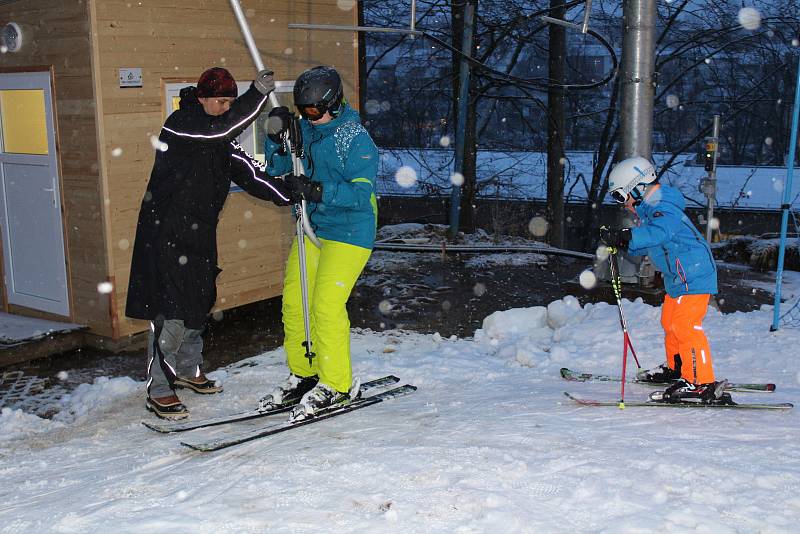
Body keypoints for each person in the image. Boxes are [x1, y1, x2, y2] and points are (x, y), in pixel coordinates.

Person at [126, 67, 294, 420]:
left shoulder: (221, 141)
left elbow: (251, 176)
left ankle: (188, 370)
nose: (225, 107)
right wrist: (256, 97)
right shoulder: (182, 124)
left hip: (199, 234)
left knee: (198, 303)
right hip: (165, 235)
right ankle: (159, 388)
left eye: (230, 102)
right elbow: (221, 128)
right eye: (220, 101)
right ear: (201, 98)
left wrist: (292, 192)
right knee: (171, 310)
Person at [259, 65, 379, 418]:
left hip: (350, 232)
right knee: (296, 304)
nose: (311, 118)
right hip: (312, 226)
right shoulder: (306, 132)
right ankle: (305, 374)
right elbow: (276, 167)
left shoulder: (355, 139)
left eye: (315, 111)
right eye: (304, 111)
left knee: (325, 306)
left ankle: (339, 384)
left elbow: (361, 195)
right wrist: (275, 134)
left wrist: (315, 190)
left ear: (335, 103)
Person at [600, 156, 729, 404]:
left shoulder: (663, 204)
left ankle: (700, 382)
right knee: (670, 322)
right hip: (680, 277)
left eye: (620, 196)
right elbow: (652, 241)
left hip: (693, 274)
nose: (621, 203)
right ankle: (678, 368)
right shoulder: (651, 209)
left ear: (637, 186)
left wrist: (628, 236)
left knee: (685, 325)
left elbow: (662, 231)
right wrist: (621, 242)